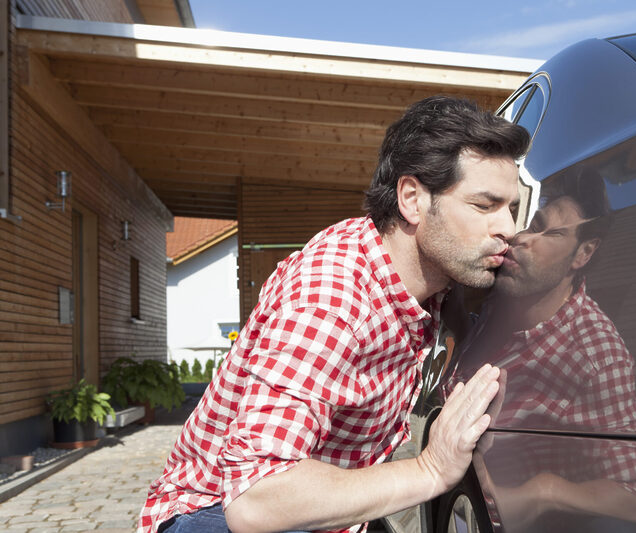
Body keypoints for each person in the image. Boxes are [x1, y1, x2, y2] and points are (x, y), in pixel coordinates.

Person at [137, 96, 531, 533]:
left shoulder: (428, 276)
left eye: (511, 208)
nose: (508, 229)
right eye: (484, 206)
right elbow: (255, 500)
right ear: (412, 199)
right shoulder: (332, 301)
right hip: (213, 514)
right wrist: (430, 470)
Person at [454, 169, 636, 531]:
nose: (525, 239)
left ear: (584, 253)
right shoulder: (494, 291)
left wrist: (544, 492)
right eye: (534, 224)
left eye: (554, 234)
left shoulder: (595, 354)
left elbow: (631, 496)